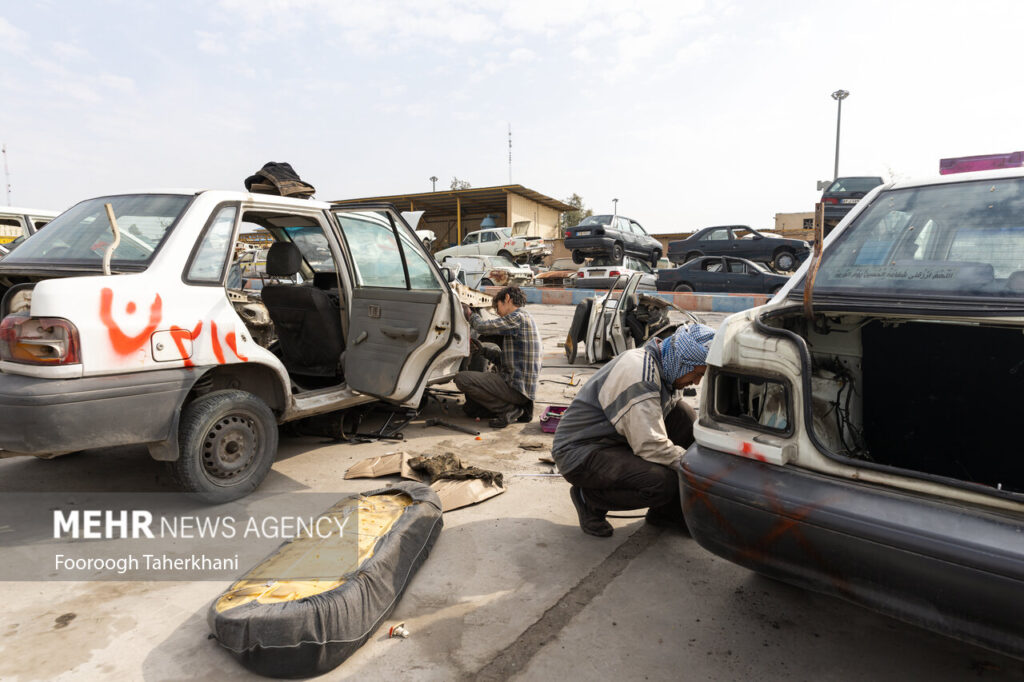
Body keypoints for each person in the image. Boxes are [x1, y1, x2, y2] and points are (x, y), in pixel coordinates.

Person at [551, 323, 716, 537]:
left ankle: (665, 514)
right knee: (662, 482)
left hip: (616, 438)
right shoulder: (640, 374)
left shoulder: (665, 367)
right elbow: (650, 445)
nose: (696, 381)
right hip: (581, 452)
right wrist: (696, 467)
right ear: (681, 363)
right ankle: (589, 500)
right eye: (696, 373)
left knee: (683, 416)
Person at [454, 286, 542, 429]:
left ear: (507, 298)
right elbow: (510, 359)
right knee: (471, 409)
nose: (498, 313)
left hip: (516, 388)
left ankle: (509, 410)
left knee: (462, 379)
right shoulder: (526, 318)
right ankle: (515, 407)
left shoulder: (517, 317)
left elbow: (482, 327)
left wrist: (470, 313)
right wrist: (484, 351)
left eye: (498, 307)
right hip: (522, 389)